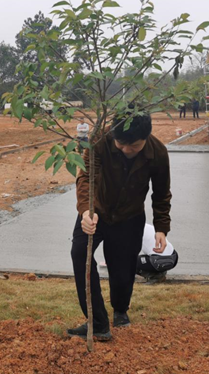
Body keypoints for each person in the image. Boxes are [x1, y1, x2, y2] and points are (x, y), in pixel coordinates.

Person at [67, 114, 172, 341]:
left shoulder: (158, 153)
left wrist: (161, 228)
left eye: (133, 146)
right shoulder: (100, 140)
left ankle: (121, 310)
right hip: (96, 211)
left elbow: (161, 193)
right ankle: (98, 322)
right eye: (121, 144)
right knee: (79, 253)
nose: (126, 150)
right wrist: (85, 211)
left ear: (146, 137)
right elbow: (85, 176)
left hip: (129, 216)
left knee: (123, 269)